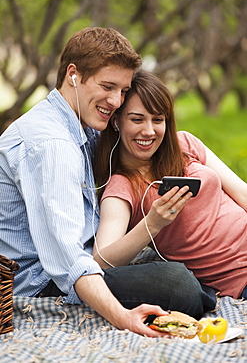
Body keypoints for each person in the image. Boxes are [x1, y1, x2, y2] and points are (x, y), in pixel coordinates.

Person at [0, 28, 214, 336]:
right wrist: (122, 317)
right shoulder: (51, 145)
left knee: (171, 263)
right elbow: (67, 260)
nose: (116, 101)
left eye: (123, 90)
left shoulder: (79, 124)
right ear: (73, 74)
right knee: (176, 284)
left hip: (84, 259)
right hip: (42, 283)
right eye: (107, 86)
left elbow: (135, 139)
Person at [93, 69, 247, 301]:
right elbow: (101, 260)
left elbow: (241, 192)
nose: (149, 131)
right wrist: (152, 224)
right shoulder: (121, 186)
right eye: (137, 119)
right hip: (239, 276)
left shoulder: (184, 142)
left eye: (158, 120)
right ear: (116, 121)